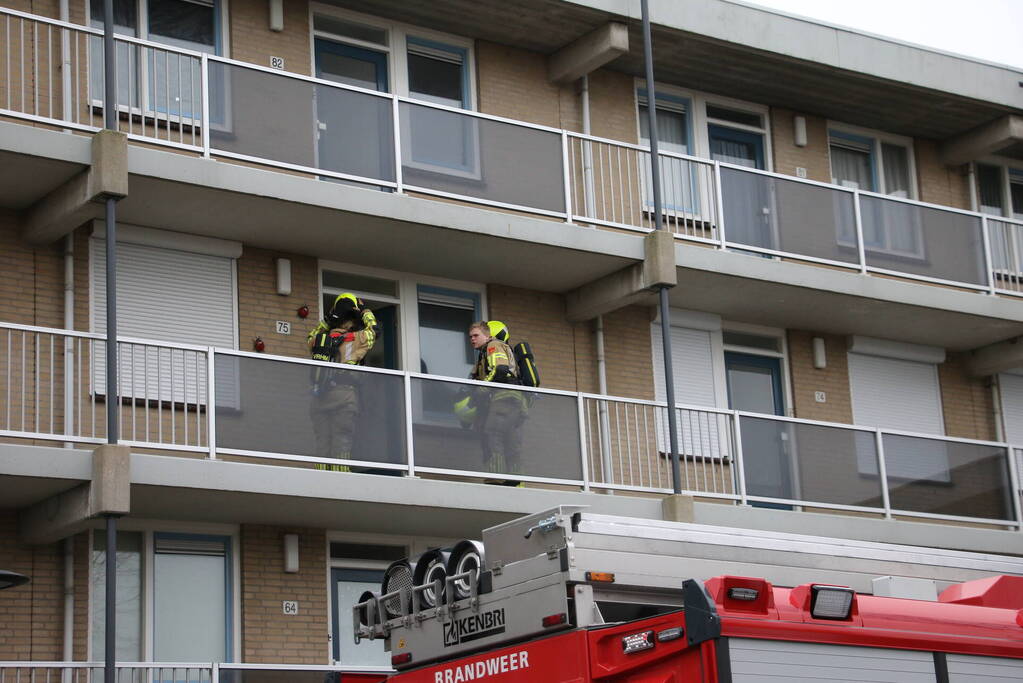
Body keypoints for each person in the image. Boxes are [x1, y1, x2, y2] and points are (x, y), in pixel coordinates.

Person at [307, 293, 378, 472]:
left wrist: (328, 319)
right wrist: (364, 311)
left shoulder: (319, 340)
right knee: (342, 441)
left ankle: (321, 477)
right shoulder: (357, 339)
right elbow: (374, 330)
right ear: (352, 320)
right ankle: (341, 476)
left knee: (322, 443)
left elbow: (311, 336)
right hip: (345, 397)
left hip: (319, 397)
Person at [461, 320, 526, 485]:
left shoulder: (493, 346)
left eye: (476, 335)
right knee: (509, 438)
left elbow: (500, 370)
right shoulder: (485, 352)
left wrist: (481, 390)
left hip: (504, 397)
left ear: (487, 335)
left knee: (492, 433)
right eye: (470, 337)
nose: (472, 339)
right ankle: (515, 477)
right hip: (514, 400)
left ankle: (495, 477)